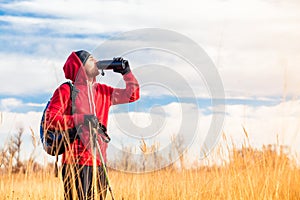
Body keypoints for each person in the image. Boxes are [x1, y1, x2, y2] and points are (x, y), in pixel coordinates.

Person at [44, 50, 140, 199]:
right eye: (90, 59)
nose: (95, 60)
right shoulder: (66, 91)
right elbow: (50, 120)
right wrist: (82, 119)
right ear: (80, 67)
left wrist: (126, 73)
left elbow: (132, 95)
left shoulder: (103, 91)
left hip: (99, 162)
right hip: (74, 163)